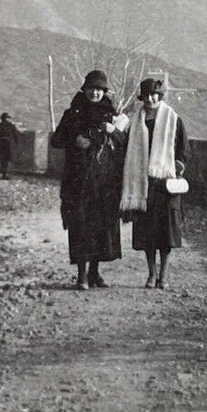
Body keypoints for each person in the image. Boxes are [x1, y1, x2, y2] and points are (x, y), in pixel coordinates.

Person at [49, 69, 127, 289]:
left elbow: (124, 143)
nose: (95, 93)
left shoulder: (112, 115)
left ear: (104, 92)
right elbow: (56, 140)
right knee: (81, 224)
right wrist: (75, 140)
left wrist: (115, 131)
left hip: (105, 182)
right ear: (84, 90)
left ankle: (95, 273)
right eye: (92, 89)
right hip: (78, 180)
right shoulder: (72, 113)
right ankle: (81, 275)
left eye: (100, 89)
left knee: (102, 226)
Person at [120, 77, 188, 289]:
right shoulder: (136, 121)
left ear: (160, 96)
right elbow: (125, 148)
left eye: (155, 94)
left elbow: (183, 149)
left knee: (165, 232)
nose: (151, 98)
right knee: (147, 232)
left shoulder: (173, 119)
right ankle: (151, 274)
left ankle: (164, 276)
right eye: (147, 95)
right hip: (143, 183)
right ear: (142, 97)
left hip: (165, 183)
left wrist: (177, 165)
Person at [0, 112, 20, 179]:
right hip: (9, 145)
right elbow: (16, 136)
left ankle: (4, 173)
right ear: (7, 118)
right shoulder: (11, 126)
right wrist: (15, 144)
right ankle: (5, 174)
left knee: (3, 160)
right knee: (7, 159)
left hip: (0, 144)